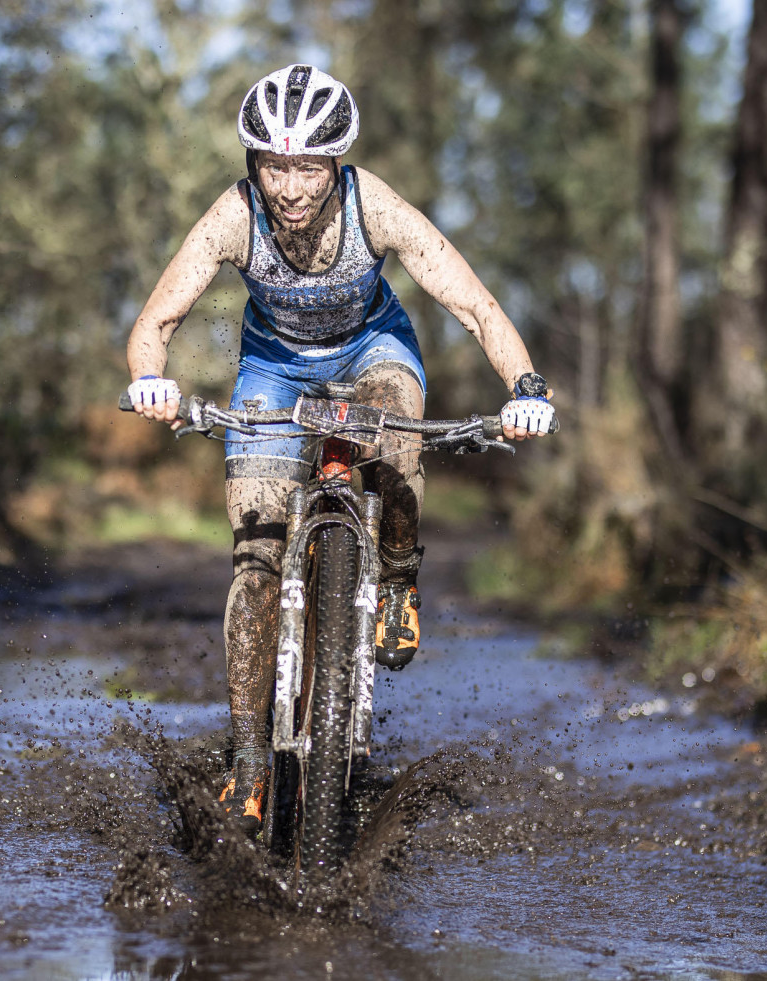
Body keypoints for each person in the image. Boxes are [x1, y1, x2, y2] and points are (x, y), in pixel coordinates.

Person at [126, 64, 556, 833]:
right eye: (272, 164)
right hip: (272, 369)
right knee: (254, 561)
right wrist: (150, 381)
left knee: (394, 438)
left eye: (307, 166)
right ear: (252, 161)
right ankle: (251, 760)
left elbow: (472, 302)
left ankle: (395, 577)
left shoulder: (375, 206)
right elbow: (154, 323)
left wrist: (525, 386)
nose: (288, 188)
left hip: (372, 353)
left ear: (337, 162)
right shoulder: (232, 216)